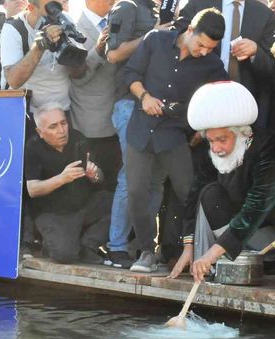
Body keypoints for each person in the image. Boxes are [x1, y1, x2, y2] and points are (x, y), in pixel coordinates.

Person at [123, 8, 228, 272]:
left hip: (174, 135)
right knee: (136, 192)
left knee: (189, 192)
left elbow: (222, 101)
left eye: (211, 48)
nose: (204, 51)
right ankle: (146, 252)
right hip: (140, 130)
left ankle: (209, 253)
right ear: (190, 30)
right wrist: (145, 97)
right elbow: (131, 74)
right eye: (201, 44)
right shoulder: (155, 40)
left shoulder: (213, 64)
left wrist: (202, 130)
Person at [167, 81, 275, 281]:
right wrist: (188, 247)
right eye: (211, 141)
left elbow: (255, 208)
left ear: (242, 133)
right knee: (209, 193)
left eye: (222, 139)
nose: (215, 148)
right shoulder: (213, 151)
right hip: (244, 233)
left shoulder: (271, 149)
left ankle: (269, 260)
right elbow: (194, 196)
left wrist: (210, 255)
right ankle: (242, 255)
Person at [103, 0, 163, 269]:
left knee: (156, 181)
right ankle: (116, 248)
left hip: (158, 107)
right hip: (129, 103)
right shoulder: (126, 6)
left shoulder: (159, 11)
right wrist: (155, 35)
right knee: (131, 177)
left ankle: (143, 247)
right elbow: (113, 53)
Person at [179, 0, 275, 133]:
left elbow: (273, 64)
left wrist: (256, 51)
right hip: (200, 95)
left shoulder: (263, 13)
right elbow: (180, 40)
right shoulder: (199, 3)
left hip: (242, 105)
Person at [24, 103, 111, 264]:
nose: (61, 130)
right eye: (53, 126)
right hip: (52, 213)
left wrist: (94, 174)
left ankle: (88, 245)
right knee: (64, 255)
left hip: (83, 207)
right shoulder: (33, 147)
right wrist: (62, 178)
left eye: (63, 123)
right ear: (40, 132)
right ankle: (49, 242)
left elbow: (101, 178)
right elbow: (33, 189)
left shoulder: (78, 138)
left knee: (117, 203)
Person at [69, 0, 120, 196]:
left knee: (116, 189)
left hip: (119, 125)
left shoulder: (121, 20)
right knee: (92, 193)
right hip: (90, 129)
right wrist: (98, 49)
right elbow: (77, 78)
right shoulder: (72, 28)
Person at [0, 0, 70, 113]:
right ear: (31, 8)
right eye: (50, 8)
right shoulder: (13, 28)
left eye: (58, 7)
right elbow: (14, 81)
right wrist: (39, 46)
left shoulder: (65, 20)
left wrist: (70, 47)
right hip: (29, 113)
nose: (55, 13)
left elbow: (79, 73)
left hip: (62, 111)